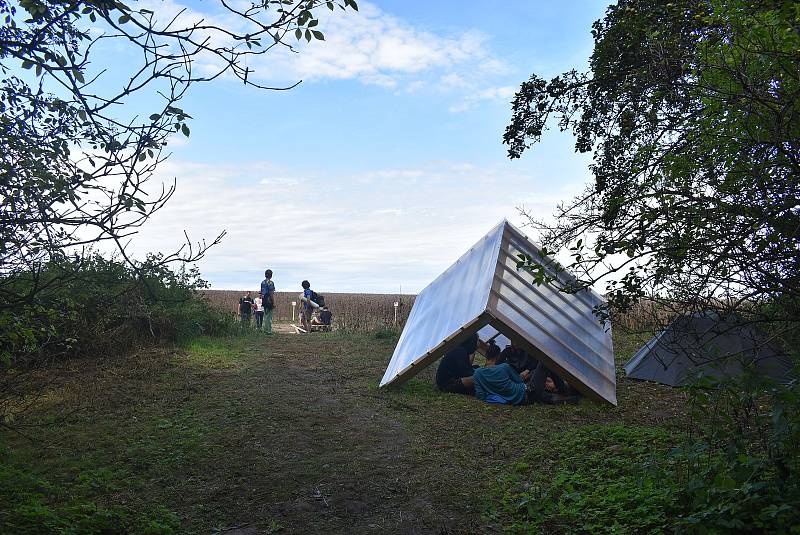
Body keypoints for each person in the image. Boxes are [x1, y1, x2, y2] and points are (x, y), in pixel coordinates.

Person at [260, 269, 275, 335]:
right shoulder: (271, 283)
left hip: (264, 300)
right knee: (269, 316)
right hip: (269, 299)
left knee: (265, 315)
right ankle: (268, 331)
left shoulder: (262, 282)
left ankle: (264, 329)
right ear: (271, 275)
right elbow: (271, 293)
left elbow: (261, 292)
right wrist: (273, 302)